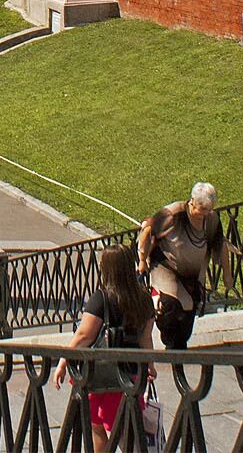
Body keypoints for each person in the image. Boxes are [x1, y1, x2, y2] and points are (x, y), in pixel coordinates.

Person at [55, 246, 154, 450]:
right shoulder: (144, 298)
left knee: (96, 426)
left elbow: (84, 335)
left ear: (107, 268)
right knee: (128, 428)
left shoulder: (101, 298)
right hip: (132, 373)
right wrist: (149, 366)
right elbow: (146, 338)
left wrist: (63, 361)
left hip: (100, 374)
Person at [136, 182, 233, 351]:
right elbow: (147, 232)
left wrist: (227, 274)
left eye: (208, 210)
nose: (204, 214)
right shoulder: (173, 214)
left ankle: (179, 346)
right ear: (192, 202)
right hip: (166, 267)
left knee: (188, 311)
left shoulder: (211, 219)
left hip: (193, 275)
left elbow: (220, 245)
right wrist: (143, 260)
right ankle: (170, 340)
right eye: (201, 209)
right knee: (171, 307)